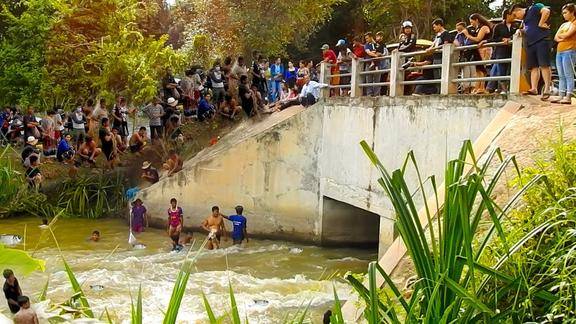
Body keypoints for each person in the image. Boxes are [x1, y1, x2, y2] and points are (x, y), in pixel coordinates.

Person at [511, 3, 552, 99]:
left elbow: (546, 11)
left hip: (541, 40)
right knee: (533, 67)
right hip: (530, 43)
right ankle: (534, 88)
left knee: (544, 65)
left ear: (518, 10)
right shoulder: (524, 20)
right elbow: (526, 29)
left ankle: (547, 88)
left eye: (515, 15)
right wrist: (519, 31)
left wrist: (541, 23)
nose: (516, 17)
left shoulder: (534, 8)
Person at [487, 9, 519, 94]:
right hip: (501, 52)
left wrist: (510, 39)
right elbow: (494, 38)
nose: (514, 17)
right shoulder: (498, 26)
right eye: (513, 15)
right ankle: (504, 90)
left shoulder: (516, 26)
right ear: (507, 15)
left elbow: (518, 35)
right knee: (501, 70)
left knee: (512, 70)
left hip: (513, 51)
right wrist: (502, 39)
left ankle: (509, 89)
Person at [461, 14, 493, 94]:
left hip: (484, 50)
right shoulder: (476, 28)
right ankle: (477, 87)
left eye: (472, 22)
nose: (471, 24)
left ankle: (482, 87)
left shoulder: (484, 27)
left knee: (482, 69)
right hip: (477, 51)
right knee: (478, 70)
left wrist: (467, 35)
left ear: (477, 20)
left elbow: (478, 38)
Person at [552, 3, 576, 104]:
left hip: (569, 51)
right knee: (561, 75)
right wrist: (563, 37)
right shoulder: (563, 24)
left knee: (568, 74)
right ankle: (561, 95)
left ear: (572, 12)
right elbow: (556, 37)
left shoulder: (574, 23)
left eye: (566, 12)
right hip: (560, 51)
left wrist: (562, 37)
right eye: (563, 13)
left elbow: (567, 35)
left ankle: (568, 96)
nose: (564, 15)